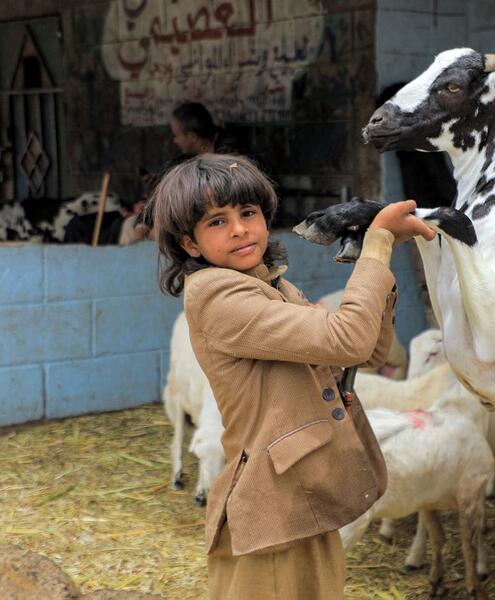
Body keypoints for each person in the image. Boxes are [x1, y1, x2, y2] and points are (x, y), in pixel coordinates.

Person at [149, 153, 435, 599]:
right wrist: (377, 250)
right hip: (272, 514)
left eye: (247, 213)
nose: (240, 228)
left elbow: (368, 352)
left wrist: (376, 263)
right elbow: (349, 341)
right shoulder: (216, 295)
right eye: (217, 222)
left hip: (307, 498)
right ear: (189, 244)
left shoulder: (273, 286)